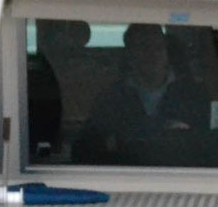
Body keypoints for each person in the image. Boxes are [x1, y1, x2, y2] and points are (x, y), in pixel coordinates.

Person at [74, 23, 207, 164]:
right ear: (130, 54)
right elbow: (82, 150)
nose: (152, 54)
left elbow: (209, 145)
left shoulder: (193, 95)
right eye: (144, 47)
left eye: (158, 47)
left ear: (167, 52)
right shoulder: (110, 99)